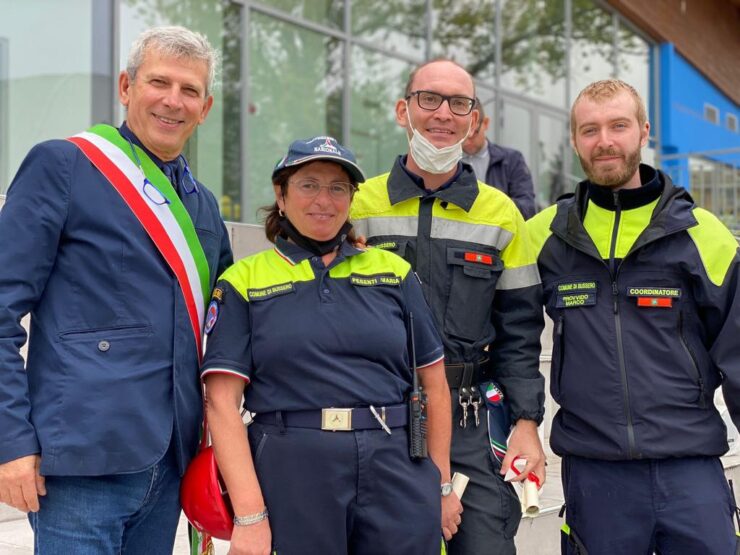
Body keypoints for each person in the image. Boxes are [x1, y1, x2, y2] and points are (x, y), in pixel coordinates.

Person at [0, 26, 233, 553]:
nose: (173, 101)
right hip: (81, 465)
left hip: (171, 463)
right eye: (159, 82)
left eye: (190, 90)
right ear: (127, 87)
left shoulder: (202, 205)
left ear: (205, 108)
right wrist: (10, 441)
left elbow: (227, 323)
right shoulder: (63, 165)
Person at [201, 135, 461, 554]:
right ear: (281, 196)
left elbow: (434, 385)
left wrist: (442, 484)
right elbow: (221, 403)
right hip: (293, 468)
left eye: (338, 187)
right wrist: (250, 516)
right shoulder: (243, 281)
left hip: (396, 465)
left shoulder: (394, 272)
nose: (324, 200)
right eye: (309, 185)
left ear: (351, 199)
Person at [527, 79, 740, 554]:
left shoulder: (703, 233)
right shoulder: (544, 235)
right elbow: (510, 337)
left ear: (644, 131)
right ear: (574, 140)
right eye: (590, 130)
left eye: (618, 126)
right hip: (595, 477)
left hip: (691, 472)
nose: (604, 141)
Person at [351, 59, 546, 555]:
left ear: (473, 120)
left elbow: (521, 332)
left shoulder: (502, 215)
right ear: (403, 110)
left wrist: (526, 422)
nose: (443, 114)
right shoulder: (357, 204)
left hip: (469, 419)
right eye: (429, 99)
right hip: (379, 414)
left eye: (459, 104)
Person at [462, 97, 536, 219]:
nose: (468, 139)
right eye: (464, 133)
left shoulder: (512, 160)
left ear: (486, 123)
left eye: (474, 132)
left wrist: (489, 205)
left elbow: (528, 208)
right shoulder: (447, 162)